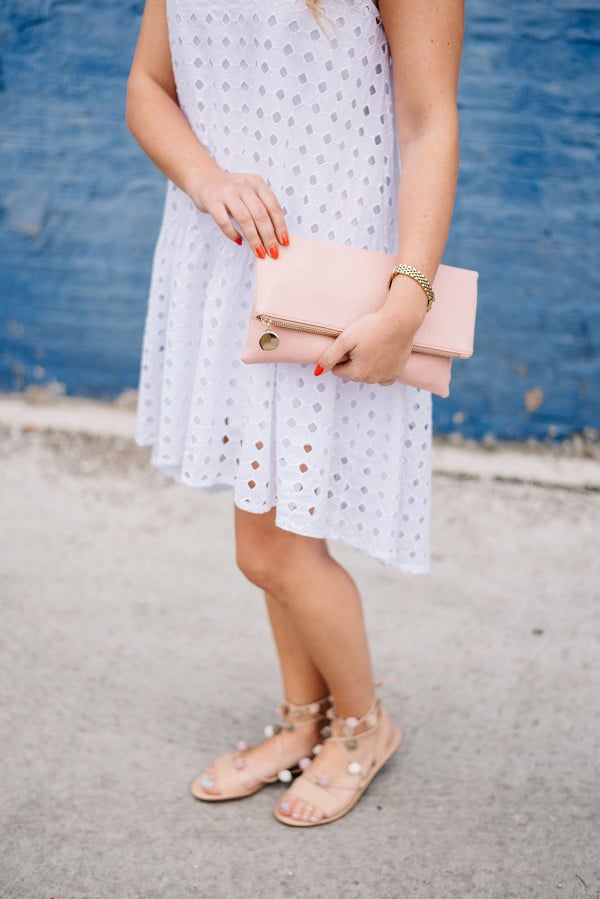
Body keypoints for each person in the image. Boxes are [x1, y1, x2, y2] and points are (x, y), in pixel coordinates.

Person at [126, 0, 463, 827]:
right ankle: (304, 718)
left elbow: (429, 122)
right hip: (226, 261)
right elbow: (147, 86)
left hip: (329, 275)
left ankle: (361, 725)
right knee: (273, 527)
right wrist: (209, 179)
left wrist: (407, 300)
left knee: (272, 547)